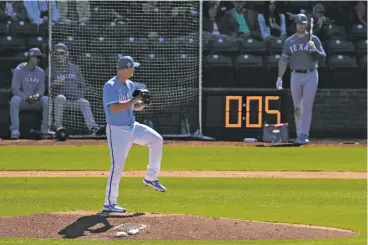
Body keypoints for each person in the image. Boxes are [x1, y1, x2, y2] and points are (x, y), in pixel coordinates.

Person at [102, 56, 166, 212]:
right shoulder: (110, 86)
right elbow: (115, 108)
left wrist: (142, 104)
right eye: (133, 67)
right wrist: (133, 100)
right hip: (117, 130)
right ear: (126, 68)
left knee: (157, 140)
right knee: (117, 166)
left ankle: (151, 177)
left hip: (132, 127)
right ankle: (109, 202)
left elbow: (133, 107)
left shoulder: (129, 84)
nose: (134, 70)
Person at [276, 14, 326, 145]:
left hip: (311, 74)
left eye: (303, 23)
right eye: (298, 23)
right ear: (295, 24)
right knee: (298, 107)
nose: (300, 25)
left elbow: (322, 57)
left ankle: (304, 134)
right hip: (295, 75)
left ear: (306, 25)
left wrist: (314, 50)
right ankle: (299, 133)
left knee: (307, 106)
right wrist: (279, 77)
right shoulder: (289, 41)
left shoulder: (314, 39)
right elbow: (283, 60)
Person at [47, 43, 99, 133]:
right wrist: (54, 84)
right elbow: (46, 88)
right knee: (60, 98)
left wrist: (77, 95)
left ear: (67, 54)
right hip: (60, 101)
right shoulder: (51, 69)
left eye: (62, 53)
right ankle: (58, 127)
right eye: (57, 53)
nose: (59, 56)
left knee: (84, 102)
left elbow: (82, 85)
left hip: (75, 100)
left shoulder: (74, 68)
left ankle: (93, 128)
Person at [10, 48, 48, 139]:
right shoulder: (19, 70)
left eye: (39, 58)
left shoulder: (41, 72)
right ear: (30, 57)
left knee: (46, 99)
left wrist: (37, 96)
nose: (38, 59)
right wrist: (26, 97)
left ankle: (45, 130)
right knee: (14, 99)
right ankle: (15, 130)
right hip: (23, 101)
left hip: (35, 101)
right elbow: (15, 89)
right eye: (36, 57)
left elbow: (41, 90)